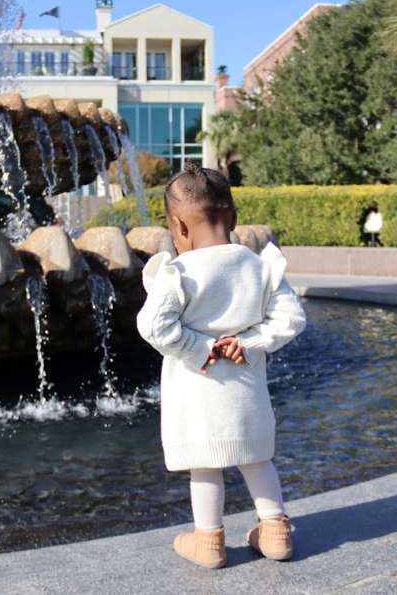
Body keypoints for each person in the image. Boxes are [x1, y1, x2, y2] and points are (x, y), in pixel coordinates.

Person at [136, 161, 307, 569]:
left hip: (197, 396)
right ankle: (276, 531)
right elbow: (291, 319)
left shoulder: (178, 273)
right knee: (256, 459)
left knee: (205, 466)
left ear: (178, 227)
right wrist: (249, 343)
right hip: (247, 392)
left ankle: (209, 540)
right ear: (233, 217)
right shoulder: (261, 267)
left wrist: (198, 348)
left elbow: (153, 327)